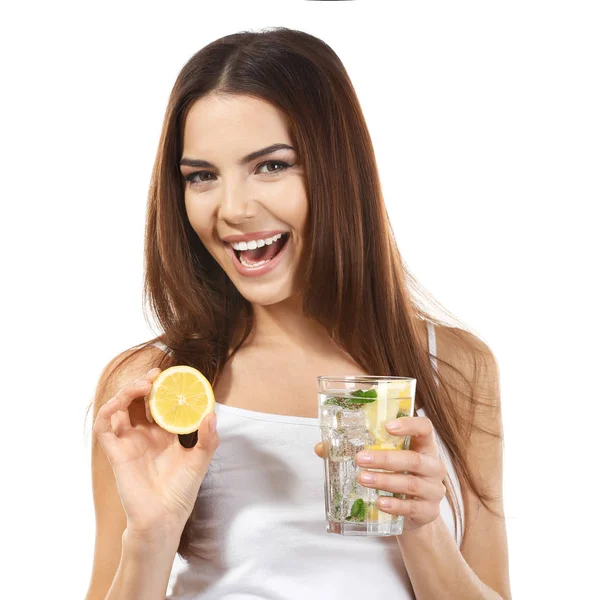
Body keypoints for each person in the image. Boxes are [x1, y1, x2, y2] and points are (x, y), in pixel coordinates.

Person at [85, 27, 511, 600]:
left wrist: (423, 528)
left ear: (338, 170)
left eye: (271, 166)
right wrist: (152, 534)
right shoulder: (156, 389)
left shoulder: (454, 369)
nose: (232, 209)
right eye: (202, 176)